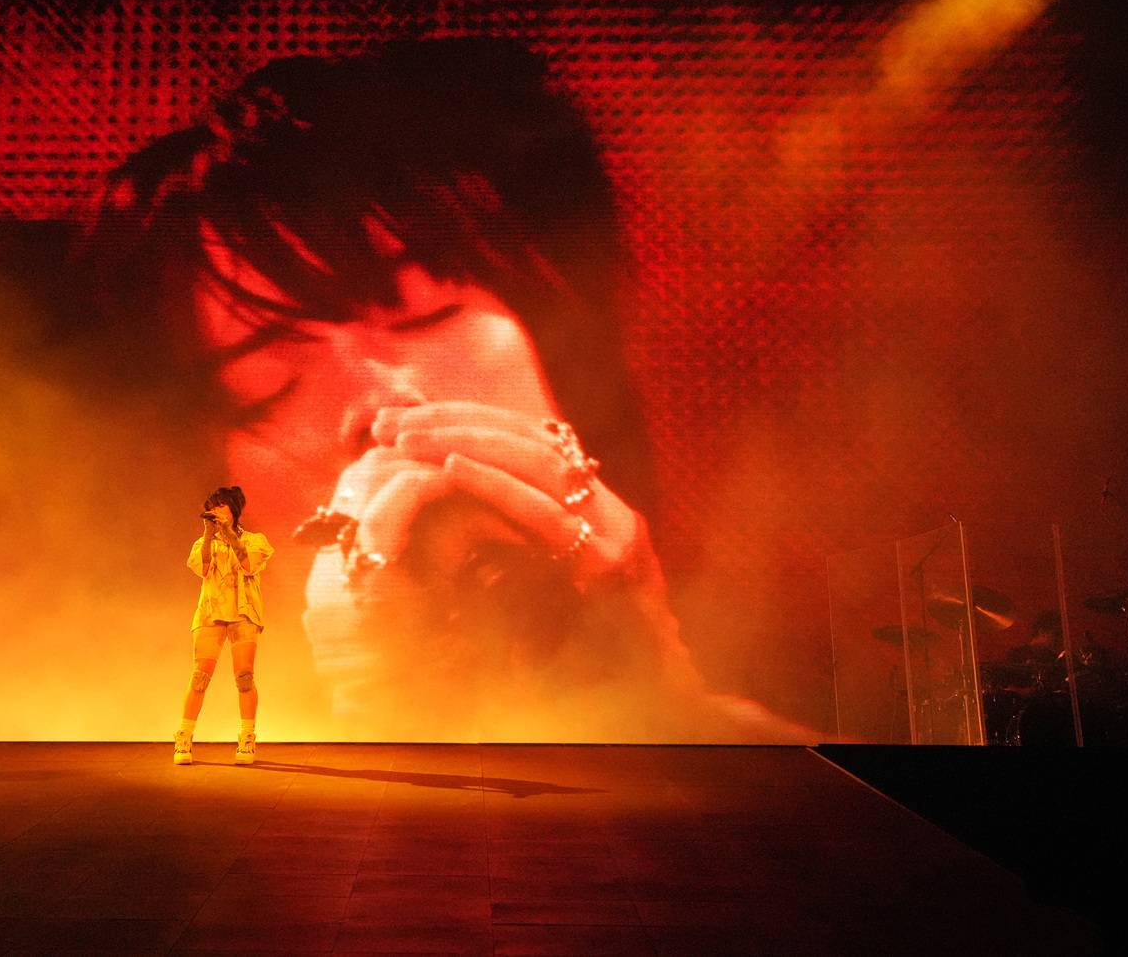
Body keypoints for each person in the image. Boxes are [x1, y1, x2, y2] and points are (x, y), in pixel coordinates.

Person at [81, 38, 811, 742]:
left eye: (423, 309)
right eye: (274, 382)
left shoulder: (797, 788)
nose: (384, 404)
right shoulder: (139, 786)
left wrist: (661, 709)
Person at [175, 485, 273, 764]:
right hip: (211, 613)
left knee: (244, 678)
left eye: (220, 506)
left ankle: (247, 738)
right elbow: (202, 569)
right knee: (199, 677)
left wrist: (230, 534)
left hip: (244, 614)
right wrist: (208, 536)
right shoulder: (204, 543)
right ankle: (184, 737)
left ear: (233, 509)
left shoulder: (255, 540)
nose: (215, 511)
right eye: (212, 506)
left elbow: (248, 565)